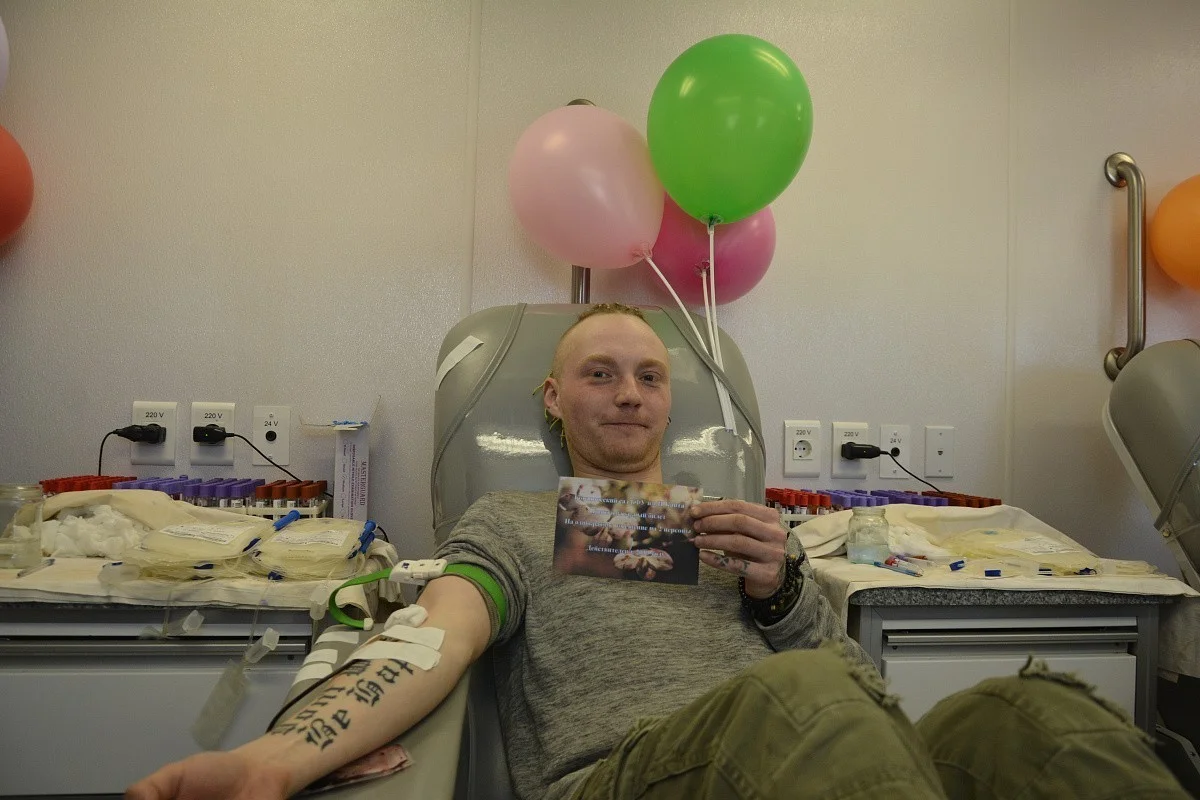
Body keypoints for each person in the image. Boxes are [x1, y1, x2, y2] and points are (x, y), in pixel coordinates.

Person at [128, 304, 1186, 800]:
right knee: (803, 700)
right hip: (625, 778)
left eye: (647, 375)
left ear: (670, 400)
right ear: (554, 399)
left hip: (810, 753)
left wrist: (785, 592)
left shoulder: (745, 532)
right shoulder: (513, 523)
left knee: (1031, 713)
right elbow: (435, 639)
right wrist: (277, 756)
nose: (628, 392)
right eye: (599, 374)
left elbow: (858, 692)